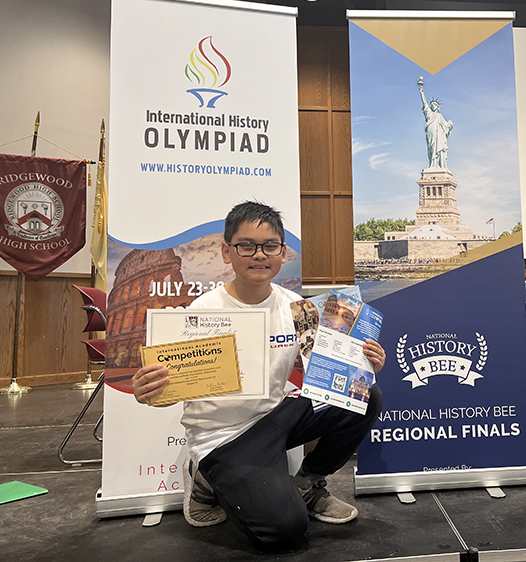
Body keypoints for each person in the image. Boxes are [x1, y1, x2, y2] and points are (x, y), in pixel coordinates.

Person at [131, 201, 385, 550]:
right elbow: (170, 390)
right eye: (246, 246)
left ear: (283, 254)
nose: (258, 255)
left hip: (274, 420)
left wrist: (364, 364)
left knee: (365, 394)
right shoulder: (200, 313)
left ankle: (309, 484)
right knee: (285, 531)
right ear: (227, 251)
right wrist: (149, 390)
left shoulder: (297, 308)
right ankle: (204, 479)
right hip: (223, 438)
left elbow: (328, 371)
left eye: (269, 246)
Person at [418, 77, 453, 170]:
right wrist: (421, 91)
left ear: (438, 107)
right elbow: (425, 103)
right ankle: (432, 165)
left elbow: (446, 127)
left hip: (440, 135)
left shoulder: (440, 116)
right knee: (432, 148)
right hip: (431, 133)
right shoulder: (429, 114)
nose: (433, 106)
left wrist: (449, 125)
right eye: (432, 105)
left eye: (435, 105)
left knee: (440, 148)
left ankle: (440, 166)